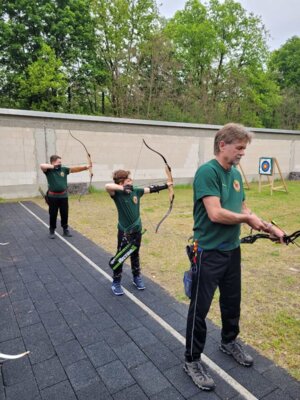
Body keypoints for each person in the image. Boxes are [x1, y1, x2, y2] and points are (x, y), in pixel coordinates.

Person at [184, 123, 284, 391]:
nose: (242, 153)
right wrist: (247, 218)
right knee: (199, 310)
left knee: (232, 303)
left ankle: (229, 341)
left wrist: (267, 227)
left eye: (244, 149)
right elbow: (216, 213)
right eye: (239, 148)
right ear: (223, 145)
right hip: (207, 252)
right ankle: (192, 360)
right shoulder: (208, 172)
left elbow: (242, 207)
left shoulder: (234, 173)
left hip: (231, 251)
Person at [105, 169, 172, 296]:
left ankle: (136, 277)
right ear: (121, 183)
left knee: (135, 254)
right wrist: (122, 189)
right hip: (124, 232)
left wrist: (167, 185)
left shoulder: (136, 191)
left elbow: (150, 189)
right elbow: (107, 186)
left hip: (137, 231)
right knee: (121, 256)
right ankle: (116, 282)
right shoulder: (116, 194)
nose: (131, 182)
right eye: (128, 180)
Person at [40, 155, 92, 239]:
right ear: (53, 162)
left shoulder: (63, 169)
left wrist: (86, 167)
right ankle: (52, 230)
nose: (60, 164)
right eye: (58, 162)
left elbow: (74, 169)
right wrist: (54, 167)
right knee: (53, 214)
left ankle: (65, 229)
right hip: (53, 197)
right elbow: (42, 166)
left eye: (60, 162)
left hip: (63, 196)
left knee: (64, 213)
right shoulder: (48, 170)